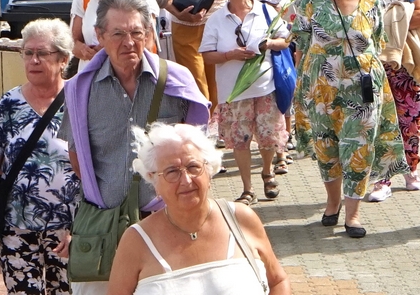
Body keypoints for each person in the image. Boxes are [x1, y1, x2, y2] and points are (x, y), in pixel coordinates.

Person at [61, 0, 211, 294]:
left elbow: (198, 153)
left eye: (136, 32)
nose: (128, 42)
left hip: (169, 227)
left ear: (149, 34)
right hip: (105, 231)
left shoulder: (175, 81)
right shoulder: (80, 91)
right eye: (117, 33)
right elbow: (78, 160)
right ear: (99, 36)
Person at [289, 0, 408, 238]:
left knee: (359, 146)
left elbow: (378, 41)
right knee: (326, 146)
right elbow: (300, 43)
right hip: (321, 86)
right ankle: (332, 203)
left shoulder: (370, 0)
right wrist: (299, 86)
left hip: (362, 86)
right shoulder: (310, 0)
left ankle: (353, 215)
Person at [0, 19, 77, 295]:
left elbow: (97, 172)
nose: (33, 60)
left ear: (63, 59)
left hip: (69, 232)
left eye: (42, 53)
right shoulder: (7, 106)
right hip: (16, 231)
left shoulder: (81, 101)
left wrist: (84, 231)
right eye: (28, 52)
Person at [107, 122, 290, 294]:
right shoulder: (136, 240)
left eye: (193, 167)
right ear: (155, 182)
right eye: (172, 171)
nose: (186, 180)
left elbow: (277, 281)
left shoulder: (241, 219)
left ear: (209, 171)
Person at [200, 0, 290, 205]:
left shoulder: (266, 12)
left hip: (265, 87)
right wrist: (230, 55)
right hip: (233, 91)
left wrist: (268, 44)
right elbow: (206, 55)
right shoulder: (217, 19)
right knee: (240, 141)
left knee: (268, 136)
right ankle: (247, 189)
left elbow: (285, 40)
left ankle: (268, 172)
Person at [363, 0, 420, 201]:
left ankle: (410, 169)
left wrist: (385, 26)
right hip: (375, 63)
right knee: (379, 120)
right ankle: (382, 179)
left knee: (410, 118)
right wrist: (397, 21)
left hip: (406, 62)